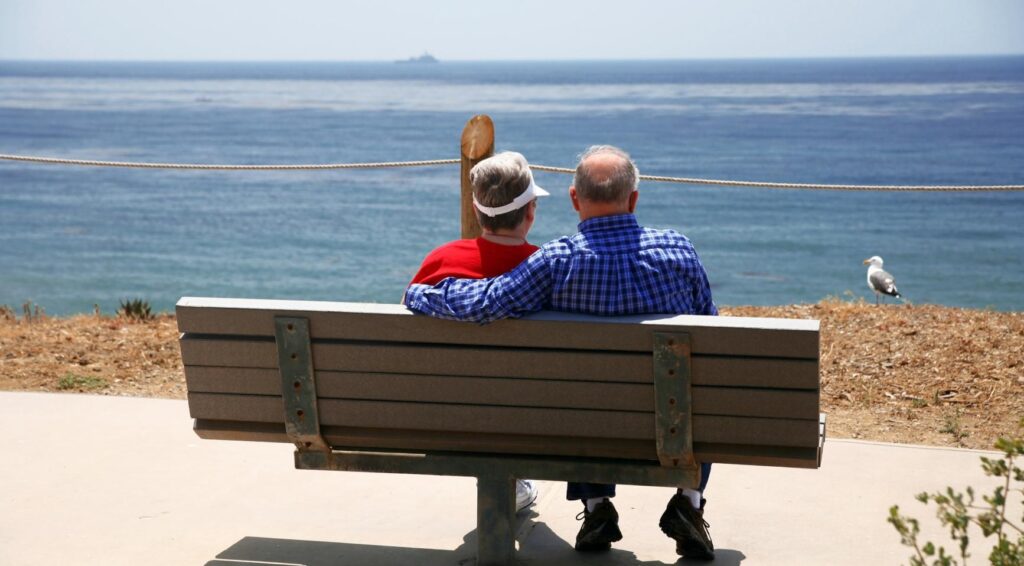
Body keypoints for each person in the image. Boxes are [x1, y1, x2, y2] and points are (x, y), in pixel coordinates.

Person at [404, 145, 717, 560]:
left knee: (585, 394)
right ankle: (689, 504)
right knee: (698, 387)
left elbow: (485, 303)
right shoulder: (680, 251)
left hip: (584, 425)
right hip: (669, 423)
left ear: (574, 199)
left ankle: (597, 507)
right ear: (634, 199)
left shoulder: (554, 262)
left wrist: (422, 293)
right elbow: (712, 330)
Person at [407, 150, 549, 513]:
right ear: (530, 212)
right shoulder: (546, 268)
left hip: (450, 415)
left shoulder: (440, 260)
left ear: (477, 210)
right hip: (537, 416)